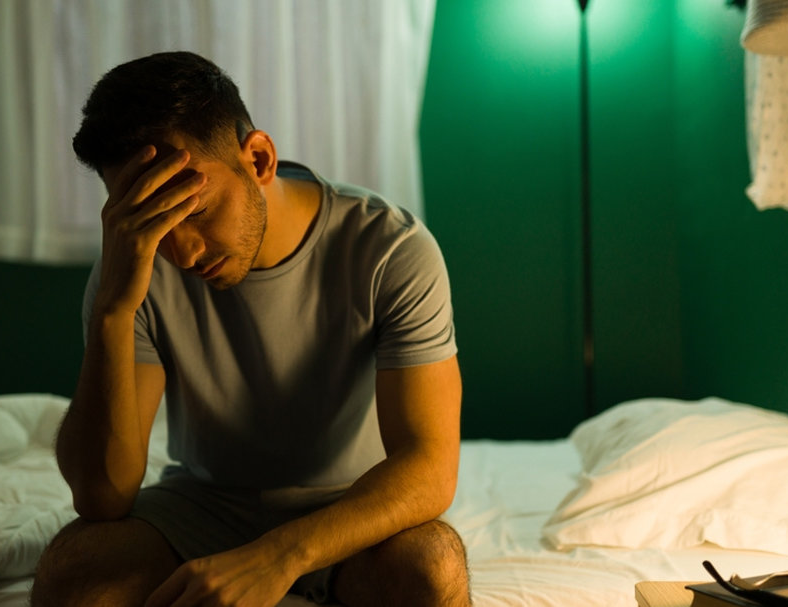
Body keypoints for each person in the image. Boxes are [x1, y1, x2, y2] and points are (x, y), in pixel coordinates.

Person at [31, 51, 468, 607]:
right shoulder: (133, 271)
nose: (182, 251)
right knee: (74, 576)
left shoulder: (390, 249)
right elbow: (101, 497)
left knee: (432, 570)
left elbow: (429, 469)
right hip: (201, 505)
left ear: (258, 159)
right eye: (151, 218)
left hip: (349, 509)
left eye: (193, 209)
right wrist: (114, 311)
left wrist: (279, 556)